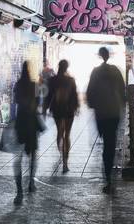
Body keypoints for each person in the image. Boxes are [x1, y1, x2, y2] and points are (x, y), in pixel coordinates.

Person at [86, 46, 126, 193]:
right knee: (110, 143)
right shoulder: (115, 71)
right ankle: (110, 178)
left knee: (105, 145)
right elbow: (123, 91)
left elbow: (90, 94)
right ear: (108, 55)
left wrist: (94, 104)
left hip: (101, 113)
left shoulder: (95, 72)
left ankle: (107, 176)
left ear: (100, 55)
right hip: (114, 112)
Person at [12, 62, 40, 204]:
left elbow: (15, 101)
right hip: (32, 122)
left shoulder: (17, 85)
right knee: (33, 155)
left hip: (20, 122)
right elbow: (38, 103)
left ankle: (19, 192)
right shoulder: (35, 85)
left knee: (18, 157)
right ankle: (31, 183)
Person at [47, 59, 79, 173]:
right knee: (67, 134)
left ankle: (61, 154)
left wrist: (46, 107)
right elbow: (74, 95)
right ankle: (65, 162)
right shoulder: (71, 80)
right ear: (67, 67)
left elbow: (49, 95)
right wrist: (76, 107)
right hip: (69, 109)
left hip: (57, 109)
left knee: (59, 132)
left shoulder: (52, 80)